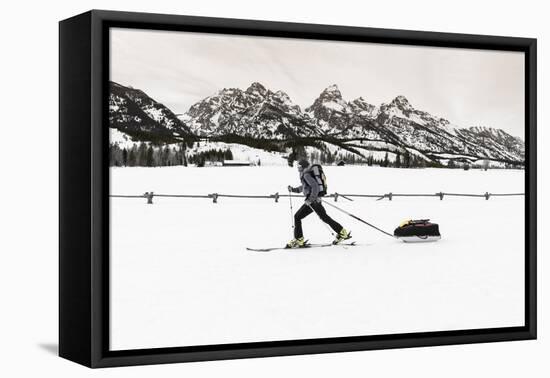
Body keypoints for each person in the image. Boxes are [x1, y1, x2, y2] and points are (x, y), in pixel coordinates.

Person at [286, 159, 351, 248]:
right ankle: (342, 232)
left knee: (297, 216)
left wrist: (310, 199)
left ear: (303, 167)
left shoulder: (306, 174)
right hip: (315, 201)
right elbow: (304, 187)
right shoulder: (306, 174)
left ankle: (298, 239)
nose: (298, 168)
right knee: (324, 217)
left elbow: (315, 187)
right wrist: (293, 190)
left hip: (312, 201)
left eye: (299, 166)